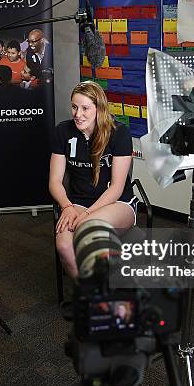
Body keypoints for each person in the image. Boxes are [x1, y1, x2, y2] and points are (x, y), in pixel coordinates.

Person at [50, 81, 138, 279]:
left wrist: (87, 214)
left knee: (87, 231)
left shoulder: (119, 132)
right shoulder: (63, 131)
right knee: (64, 246)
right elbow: (54, 181)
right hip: (78, 202)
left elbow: (116, 188)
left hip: (117, 202)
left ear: (99, 108)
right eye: (74, 107)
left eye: (85, 108)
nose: (77, 114)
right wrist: (67, 207)